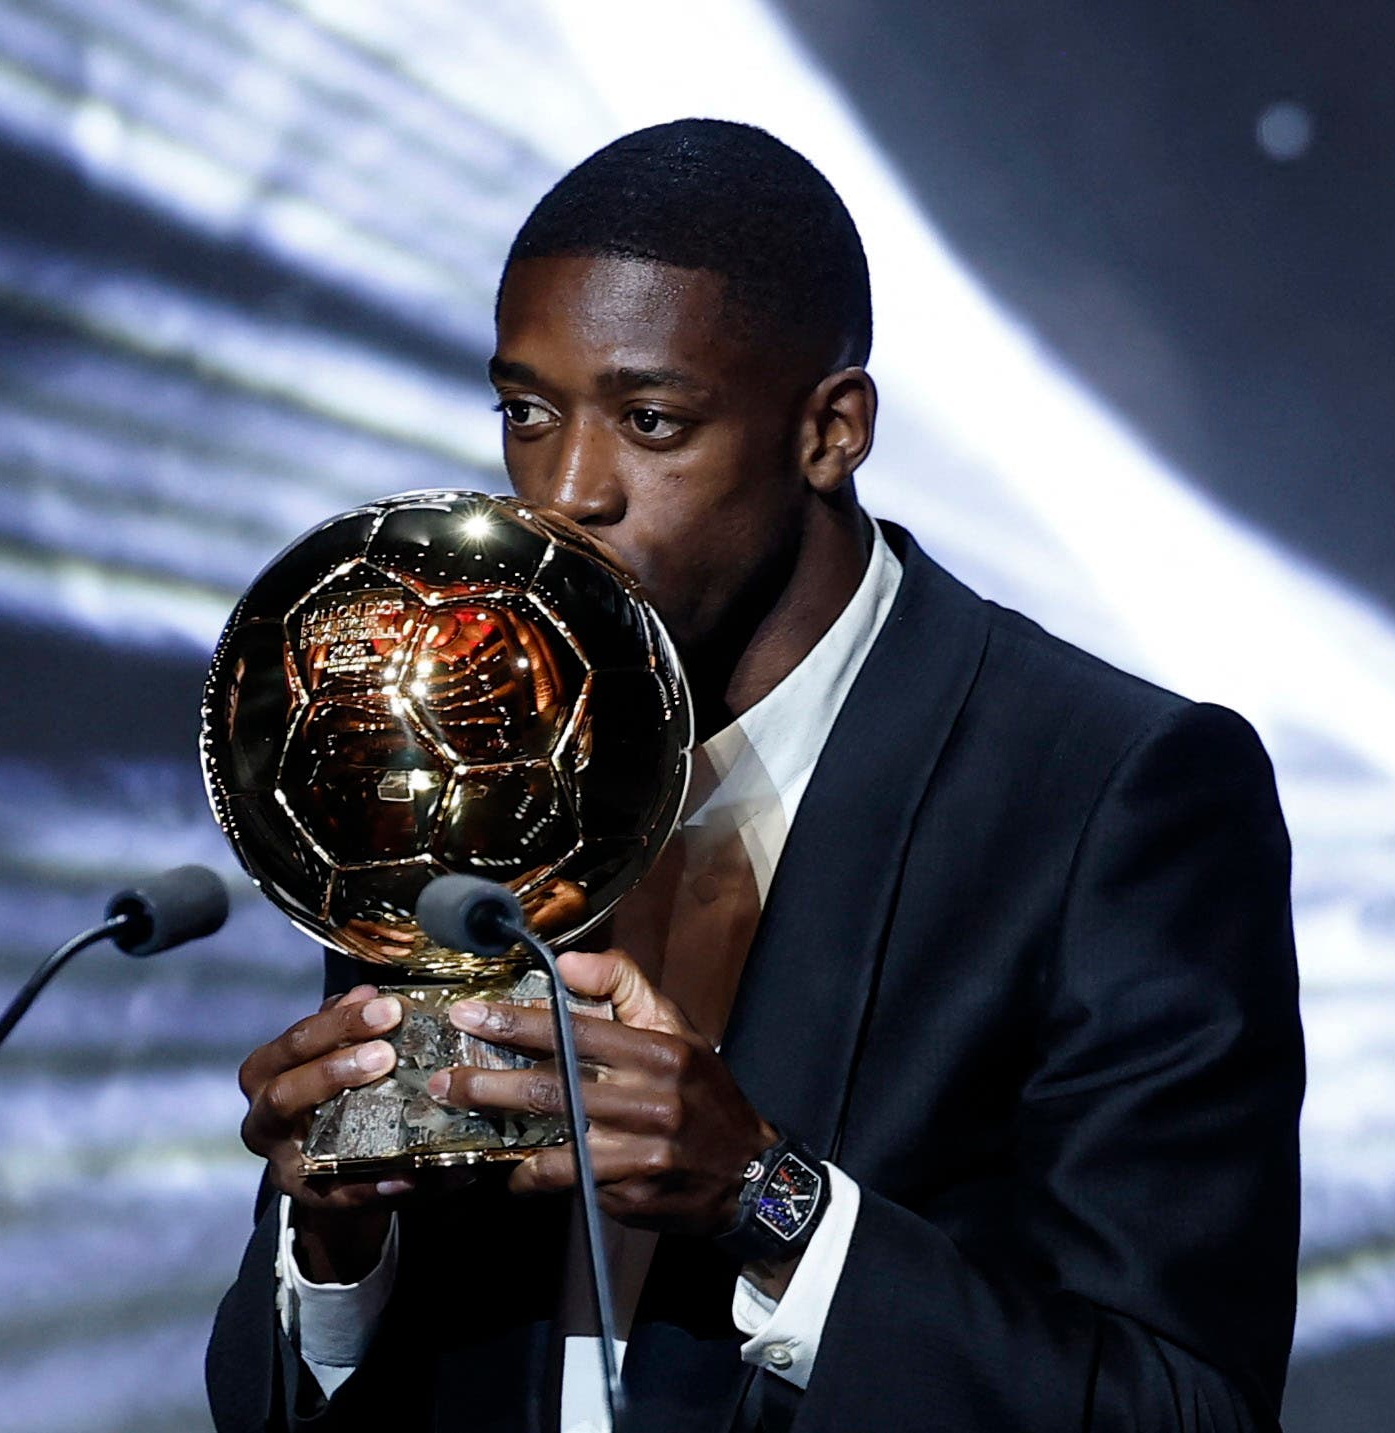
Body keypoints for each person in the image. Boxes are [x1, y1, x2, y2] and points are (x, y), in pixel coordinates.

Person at [206, 119, 1303, 1433]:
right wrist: (335, 1241)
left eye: (651, 420)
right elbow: (284, 1398)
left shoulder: (1112, 795)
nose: (565, 494)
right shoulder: (458, 747)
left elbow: (1185, 1412)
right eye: (525, 412)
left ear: (831, 430)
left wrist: (766, 1198)